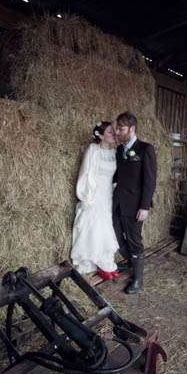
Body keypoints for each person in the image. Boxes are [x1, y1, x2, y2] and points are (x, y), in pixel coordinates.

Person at [113, 111, 157, 294]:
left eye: (121, 128)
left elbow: (150, 180)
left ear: (131, 129)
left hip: (135, 205)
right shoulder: (119, 150)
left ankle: (138, 278)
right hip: (117, 203)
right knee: (115, 235)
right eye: (116, 128)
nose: (117, 132)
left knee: (134, 240)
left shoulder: (145, 149)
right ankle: (131, 261)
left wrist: (144, 206)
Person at [71, 121, 120, 280]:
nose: (114, 134)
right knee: (94, 225)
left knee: (106, 225)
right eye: (110, 132)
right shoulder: (93, 150)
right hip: (94, 193)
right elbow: (85, 172)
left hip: (108, 194)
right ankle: (90, 260)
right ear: (100, 135)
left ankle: (104, 260)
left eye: (113, 131)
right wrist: (87, 196)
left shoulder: (114, 152)